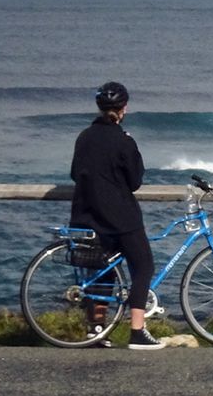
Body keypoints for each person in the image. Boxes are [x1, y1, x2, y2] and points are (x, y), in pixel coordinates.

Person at [70, 81, 165, 349]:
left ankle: (96, 331)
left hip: (87, 215)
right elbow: (135, 180)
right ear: (123, 109)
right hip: (121, 218)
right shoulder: (124, 140)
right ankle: (137, 331)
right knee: (143, 266)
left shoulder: (84, 137)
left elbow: (75, 173)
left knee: (101, 271)